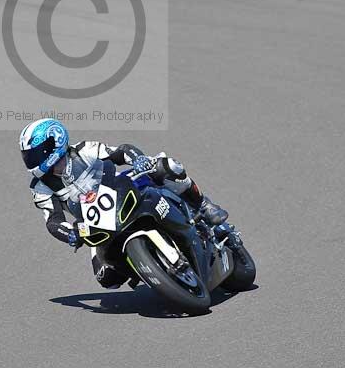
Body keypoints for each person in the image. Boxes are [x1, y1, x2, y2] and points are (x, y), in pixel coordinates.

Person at [19, 118, 228, 289]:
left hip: (122, 187)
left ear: (55, 141)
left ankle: (202, 205)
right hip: (96, 222)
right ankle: (150, 268)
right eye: (28, 157)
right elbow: (53, 220)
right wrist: (69, 234)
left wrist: (137, 159)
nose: (33, 161)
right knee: (107, 278)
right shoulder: (40, 186)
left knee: (167, 167)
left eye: (36, 153)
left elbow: (120, 152)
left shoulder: (83, 149)